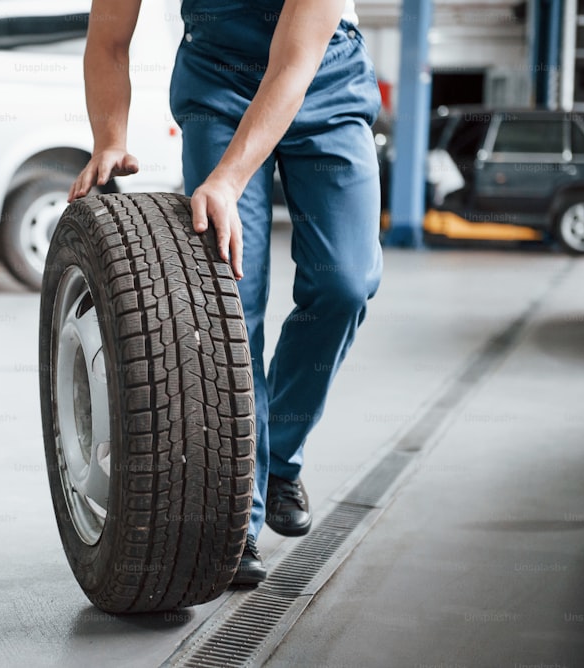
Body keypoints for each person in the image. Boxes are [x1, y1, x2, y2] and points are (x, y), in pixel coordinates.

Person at [69, 0, 383, 585]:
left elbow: (293, 63)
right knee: (233, 302)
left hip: (322, 76)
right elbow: (109, 38)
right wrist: (109, 137)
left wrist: (228, 179)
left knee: (346, 282)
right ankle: (238, 513)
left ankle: (279, 455)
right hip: (219, 80)